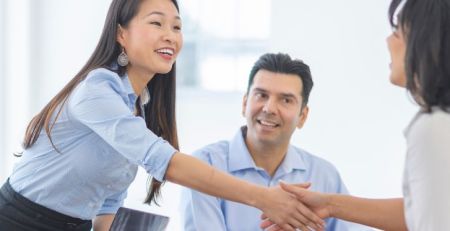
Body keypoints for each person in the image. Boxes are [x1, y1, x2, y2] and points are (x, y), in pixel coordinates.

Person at [0, 0, 326, 231]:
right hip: (18, 220)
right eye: (156, 23)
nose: (170, 35)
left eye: (177, 26)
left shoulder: (139, 110)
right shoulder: (97, 90)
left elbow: (107, 203)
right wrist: (262, 199)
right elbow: (166, 161)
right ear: (121, 34)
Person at [262, 0, 450, 230]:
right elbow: (421, 211)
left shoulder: (433, 128)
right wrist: (330, 205)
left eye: (397, 32)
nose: (387, 41)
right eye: (261, 95)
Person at [181, 53, 371, 231]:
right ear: (244, 104)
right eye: (261, 95)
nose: (269, 108)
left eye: (286, 100)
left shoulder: (325, 176)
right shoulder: (204, 166)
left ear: (302, 116)